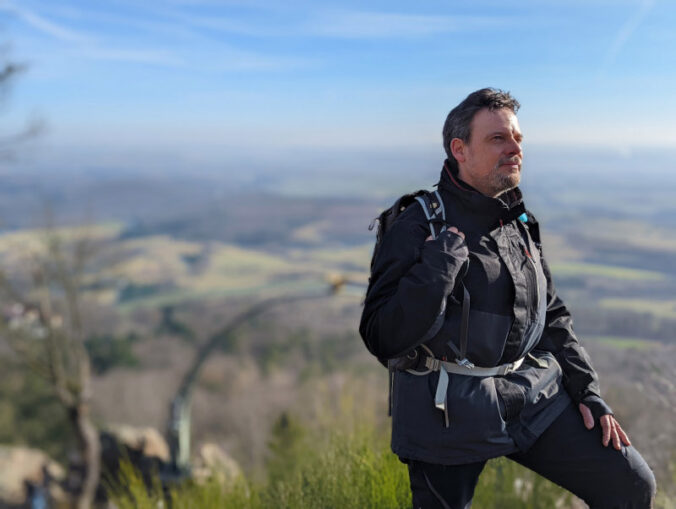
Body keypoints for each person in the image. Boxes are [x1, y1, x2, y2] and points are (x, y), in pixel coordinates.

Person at [359, 88, 657, 508]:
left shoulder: (516, 220)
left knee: (630, 484)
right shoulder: (417, 224)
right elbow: (382, 336)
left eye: (517, 138)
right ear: (459, 150)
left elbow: (552, 317)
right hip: (448, 412)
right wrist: (438, 267)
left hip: (529, 394)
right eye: (498, 138)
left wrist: (588, 392)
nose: (515, 148)